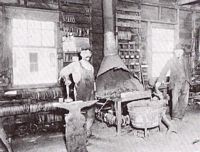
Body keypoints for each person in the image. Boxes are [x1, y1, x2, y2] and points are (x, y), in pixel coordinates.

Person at [59, 48, 95, 137]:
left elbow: (93, 82)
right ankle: (81, 135)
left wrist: (95, 92)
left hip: (91, 94)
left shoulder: (91, 67)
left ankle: (87, 132)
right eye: (85, 52)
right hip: (80, 95)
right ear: (81, 54)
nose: (87, 54)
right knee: (81, 116)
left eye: (89, 52)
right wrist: (66, 79)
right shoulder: (76, 65)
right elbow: (63, 72)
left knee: (91, 115)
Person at [155, 47, 191, 123]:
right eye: (177, 51)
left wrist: (189, 81)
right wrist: (159, 81)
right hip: (175, 84)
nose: (179, 53)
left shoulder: (186, 60)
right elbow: (164, 70)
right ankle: (175, 117)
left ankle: (181, 116)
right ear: (174, 52)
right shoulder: (171, 61)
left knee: (184, 101)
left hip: (185, 83)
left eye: (180, 51)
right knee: (174, 101)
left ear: (182, 52)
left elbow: (188, 70)